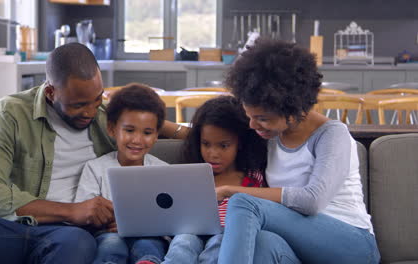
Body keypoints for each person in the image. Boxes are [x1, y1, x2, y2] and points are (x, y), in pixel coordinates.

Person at [0, 43, 182, 263]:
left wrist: (180, 129)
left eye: (97, 99)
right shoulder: (8, 114)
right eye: (78, 105)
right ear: (51, 92)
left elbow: (145, 122)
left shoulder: (105, 117)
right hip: (10, 228)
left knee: (78, 242)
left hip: (66, 236)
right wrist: (72, 211)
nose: (90, 111)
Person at [216, 39, 380, 264]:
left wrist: (228, 191)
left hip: (353, 246)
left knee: (243, 203)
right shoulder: (270, 134)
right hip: (300, 246)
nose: (253, 125)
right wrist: (164, 127)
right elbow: (215, 137)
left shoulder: (332, 135)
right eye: (249, 116)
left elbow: (312, 201)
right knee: (262, 243)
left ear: (294, 108)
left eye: (262, 118)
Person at [163, 96, 267, 264]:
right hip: (190, 231)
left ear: (239, 143)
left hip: (227, 235)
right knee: (184, 242)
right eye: (206, 144)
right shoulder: (189, 175)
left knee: (219, 243)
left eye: (223, 145)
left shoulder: (253, 178)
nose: (213, 154)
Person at [75, 83, 169, 264]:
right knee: (111, 244)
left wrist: (137, 224)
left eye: (147, 132)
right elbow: (85, 213)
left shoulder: (164, 171)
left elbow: (172, 217)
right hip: (108, 234)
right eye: (129, 130)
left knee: (148, 245)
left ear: (156, 135)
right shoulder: (95, 168)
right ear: (112, 129)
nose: (137, 140)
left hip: (150, 235)